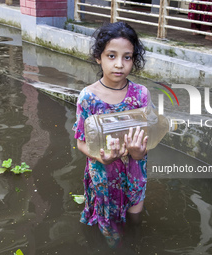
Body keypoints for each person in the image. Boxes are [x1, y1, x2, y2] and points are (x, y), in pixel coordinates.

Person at [72, 21, 149, 247]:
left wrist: (138, 153)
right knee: (108, 227)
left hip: (134, 171)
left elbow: (146, 138)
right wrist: (99, 156)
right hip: (103, 173)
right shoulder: (88, 97)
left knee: (135, 220)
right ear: (99, 57)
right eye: (111, 56)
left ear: (134, 60)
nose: (119, 64)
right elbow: (80, 143)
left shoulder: (141, 95)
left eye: (127, 57)